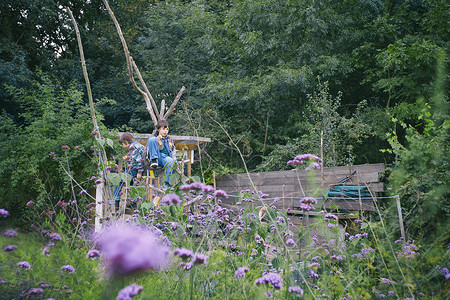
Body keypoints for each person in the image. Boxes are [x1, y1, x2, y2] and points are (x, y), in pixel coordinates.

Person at [115, 132, 145, 207]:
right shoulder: (137, 145)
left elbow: (139, 160)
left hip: (137, 169)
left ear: (126, 142)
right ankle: (133, 202)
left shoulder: (133, 147)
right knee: (130, 183)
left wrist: (139, 172)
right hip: (137, 168)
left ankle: (116, 201)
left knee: (120, 180)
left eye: (122, 144)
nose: (122, 146)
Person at [146, 119, 176, 189]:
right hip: (157, 157)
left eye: (167, 129)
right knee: (151, 139)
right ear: (158, 129)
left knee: (170, 161)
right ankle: (154, 160)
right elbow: (149, 150)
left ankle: (166, 184)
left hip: (166, 158)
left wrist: (174, 160)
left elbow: (173, 150)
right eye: (163, 129)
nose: (165, 131)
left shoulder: (169, 139)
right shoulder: (155, 139)